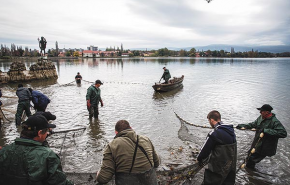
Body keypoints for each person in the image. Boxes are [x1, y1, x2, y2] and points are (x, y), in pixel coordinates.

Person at [0, 114, 74, 185]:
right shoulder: (48, 156)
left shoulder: (4, 151)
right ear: (39, 133)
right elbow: (59, 182)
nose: (48, 133)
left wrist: (42, 140)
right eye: (46, 131)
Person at [96, 120, 160, 185]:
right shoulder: (146, 139)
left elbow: (103, 179)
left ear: (116, 132)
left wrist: (98, 174)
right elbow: (157, 163)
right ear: (131, 128)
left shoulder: (112, 145)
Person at [236, 104, 287, 169]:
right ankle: (250, 174)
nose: (260, 112)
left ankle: (251, 173)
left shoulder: (275, 122)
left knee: (251, 159)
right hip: (257, 143)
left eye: (262, 111)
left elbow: (283, 133)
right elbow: (253, 124)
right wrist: (242, 126)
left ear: (267, 112)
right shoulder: (261, 117)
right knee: (249, 155)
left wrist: (266, 130)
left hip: (265, 146)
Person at [197, 110, 237, 185]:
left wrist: (199, 159)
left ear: (211, 120)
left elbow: (204, 151)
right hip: (230, 167)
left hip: (218, 168)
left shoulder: (214, 133)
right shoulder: (231, 131)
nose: (209, 122)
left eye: (209, 120)